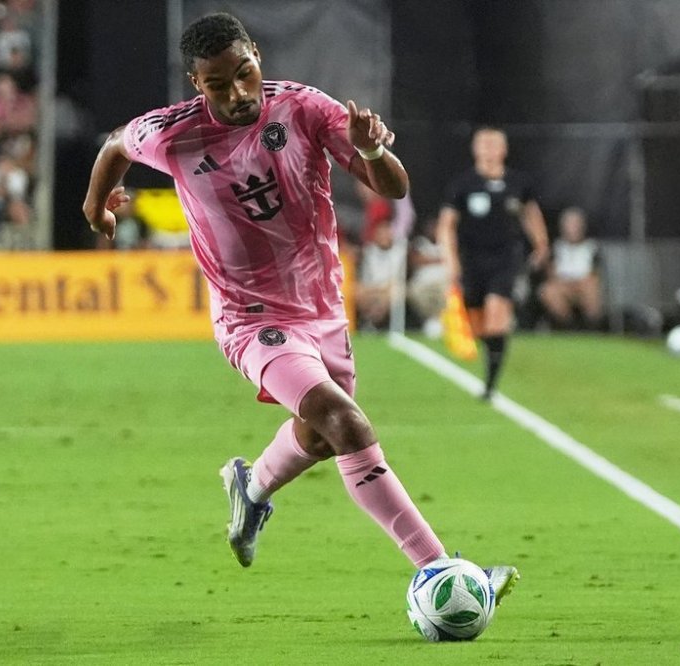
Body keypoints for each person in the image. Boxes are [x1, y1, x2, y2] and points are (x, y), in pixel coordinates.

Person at [82, 12, 518, 601]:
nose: (237, 92)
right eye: (217, 84)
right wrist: (96, 205)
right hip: (251, 320)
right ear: (195, 84)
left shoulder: (305, 108)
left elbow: (392, 186)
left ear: (257, 54)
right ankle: (437, 570)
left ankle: (252, 486)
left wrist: (370, 150)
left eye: (244, 72)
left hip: (323, 310)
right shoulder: (173, 134)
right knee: (346, 423)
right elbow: (114, 144)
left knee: (317, 437)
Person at [437, 126, 549, 399]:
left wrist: (541, 244)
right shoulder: (463, 185)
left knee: (497, 313)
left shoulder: (518, 184)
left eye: (493, 144)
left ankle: (489, 386)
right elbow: (446, 225)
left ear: (503, 149)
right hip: (472, 259)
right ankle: (492, 349)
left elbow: (531, 215)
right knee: (477, 325)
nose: (488, 150)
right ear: (475, 149)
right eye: (483, 144)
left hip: (506, 257)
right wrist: (450, 260)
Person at [538, 207, 603, 330]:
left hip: (584, 284)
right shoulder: (556, 247)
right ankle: (568, 326)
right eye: (569, 225)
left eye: (576, 225)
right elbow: (550, 272)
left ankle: (592, 326)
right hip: (562, 285)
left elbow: (596, 273)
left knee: (592, 286)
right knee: (548, 291)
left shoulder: (591, 247)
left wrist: (580, 282)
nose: (573, 229)